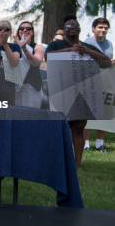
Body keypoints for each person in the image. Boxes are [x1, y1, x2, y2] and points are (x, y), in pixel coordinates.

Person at [45, 17, 111, 167]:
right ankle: (58, 161)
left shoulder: (86, 46)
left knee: (78, 128)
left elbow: (106, 62)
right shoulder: (56, 45)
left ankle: (77, 164)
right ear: (64, 30)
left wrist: (87, 51)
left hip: (83, 93)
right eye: (69, 26)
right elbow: (47, 57)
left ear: (80, 30)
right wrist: (69, 50)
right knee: (60, 128)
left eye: (75, 26)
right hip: (60, 92)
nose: (72, 28)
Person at [82, 17, 113, 151]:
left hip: (106, 82)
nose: (103, 30)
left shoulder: (109, 44)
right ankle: (86, 143)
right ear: (93, 29)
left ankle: (100, 142)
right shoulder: (87, 43)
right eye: (100, 27)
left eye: (105, 28)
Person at [13, 21, 45, 108]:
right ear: (18, 31)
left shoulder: (38, 47)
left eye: (28, 28)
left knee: (31, 118)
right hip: (15, 88)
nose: (25, 30)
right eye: (22, 28)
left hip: (32, 88)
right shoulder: (13, 47)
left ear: (33, 32)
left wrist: (24, 48)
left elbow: (36, 63)